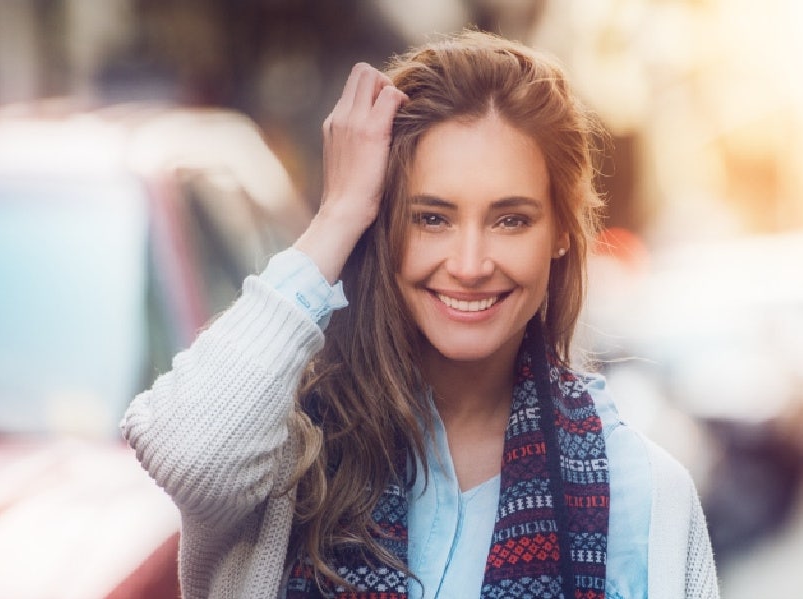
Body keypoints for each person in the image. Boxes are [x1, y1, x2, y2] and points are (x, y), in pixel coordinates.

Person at [121, 30, 719, 599]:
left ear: (561, 232)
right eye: (431, 217)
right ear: (384, 224)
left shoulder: (642, 495)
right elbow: (184, 453)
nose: (469, 263)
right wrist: (338, 215)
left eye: (511, 219)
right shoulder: (280, 460)